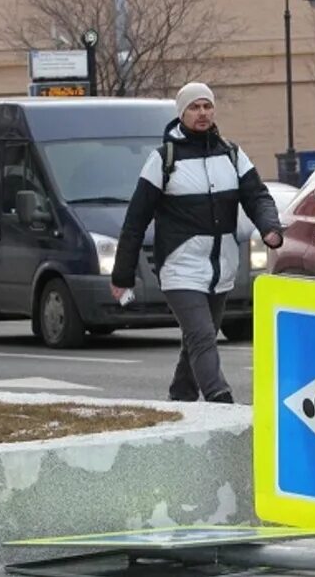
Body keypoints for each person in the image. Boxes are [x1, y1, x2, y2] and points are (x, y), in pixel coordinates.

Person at [111, 82, 283, 404]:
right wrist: (122, 275)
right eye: (194, 107)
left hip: (221, 267)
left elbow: (257, 195)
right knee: (203, 336)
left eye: (207, 106)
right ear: (182, 113)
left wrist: (269, 227)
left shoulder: (231, 153)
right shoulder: (164, 159)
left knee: (196, 339)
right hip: (180, 267)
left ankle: (181, 398)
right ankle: (221, 400)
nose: (202, 113)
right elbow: (135, 221)